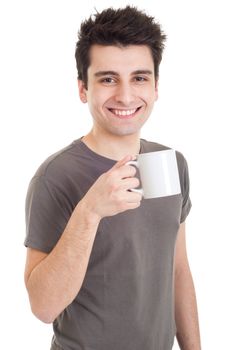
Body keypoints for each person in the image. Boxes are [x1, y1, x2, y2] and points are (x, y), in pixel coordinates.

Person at [24, 5, 201, 350]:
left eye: (139, 77)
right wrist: (90, 211)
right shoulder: (56, 176)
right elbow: (43, 307)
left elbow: (178, 271)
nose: (125, 95)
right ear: (82, 89)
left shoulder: (169, 162)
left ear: (155, 86)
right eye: (107, 79)